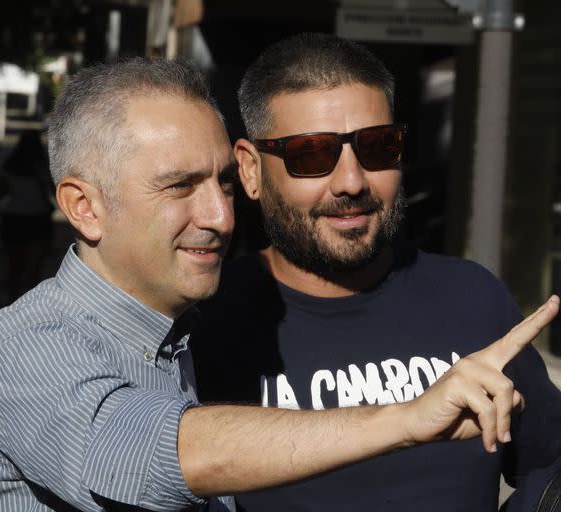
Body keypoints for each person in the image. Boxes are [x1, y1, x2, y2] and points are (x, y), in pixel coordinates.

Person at [0, 56, 558, 512]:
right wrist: (408, 418)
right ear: (84, 207)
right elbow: (158, 454)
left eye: (221, 186)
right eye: (180, 186)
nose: (219, 216)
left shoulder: (174, 329)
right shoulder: (26, 347)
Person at [191, 32, 561, 511]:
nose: (351, 182)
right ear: (250, 170)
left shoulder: (472, 297)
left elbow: (549, 466)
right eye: (311, 154)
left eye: (379, 147)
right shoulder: (206, 324)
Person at [0, 129, 55, 301]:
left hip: (13, 216)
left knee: (14, 264)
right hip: (38, 217)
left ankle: (12, 300)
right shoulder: (43, 166)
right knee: (34, 266)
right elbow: (52, 191)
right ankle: (30, 302)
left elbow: (0, 191)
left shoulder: (9, 165)